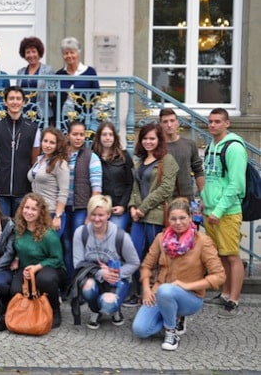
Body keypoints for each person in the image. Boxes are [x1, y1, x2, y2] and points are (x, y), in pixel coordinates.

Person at [132, 198, 226, 351]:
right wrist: (147, 289)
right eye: (173, 219)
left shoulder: (203, 242)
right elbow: (146, 266)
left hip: (190, 296)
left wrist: (186, 285)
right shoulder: (161, 238)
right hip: (160, 291)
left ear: (190, 218)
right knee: (140, 330)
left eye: (182, 218)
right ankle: (171, 315)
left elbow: (219, 276)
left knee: (166, 290)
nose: (178, 222)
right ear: (168, 220)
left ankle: (171, 331)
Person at [201, 108, 247, 317]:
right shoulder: (212, 144)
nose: (212, 125)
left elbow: (236, 184)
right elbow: (212, 179)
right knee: (221, 254)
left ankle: (234, 299)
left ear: (227, 123)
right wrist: (204, 201)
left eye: (217, 121)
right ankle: (225, 292)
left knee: (232, 255)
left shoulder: (234, 147)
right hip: (212, 210)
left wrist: (218, 210)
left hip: (227, 211)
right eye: (210, 121)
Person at [126, 122, 178, 307]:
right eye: (145, 138)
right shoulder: (139, 161)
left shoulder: (167, 160)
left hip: (156, 216)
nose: (148, 142)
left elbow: (165, 189)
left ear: (159, 140)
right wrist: (133, 206)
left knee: (155, 257)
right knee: (133, 253)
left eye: (152, 138)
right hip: (138, 217)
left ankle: (155, 294)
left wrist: (143, 208)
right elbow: (134, 187)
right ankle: (136, 292)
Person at [72, 195, 139, 330]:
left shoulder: (121, 236)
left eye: (101, 215)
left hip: (116, 278)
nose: (96, 219)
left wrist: (116, 273)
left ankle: (113, 309)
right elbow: (78, 263)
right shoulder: (81, 233)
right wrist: (102, 273)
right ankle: (96, 310)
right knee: (87, 287)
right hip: (93, 275)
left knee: (108, 304)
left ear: (108, 214)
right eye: (93, 214)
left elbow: (134, 262)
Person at [10, 193, 66, 328]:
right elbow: (19, 248)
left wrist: (37, 267)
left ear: (40, 212)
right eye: (26, 207)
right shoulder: (18, 229)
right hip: (26, 268)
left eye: (34, 209)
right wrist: (16, 258)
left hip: (50, 268)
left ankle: (55, 309)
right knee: (14, 291)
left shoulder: (48, 234)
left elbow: (57, 258)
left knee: (44, 280)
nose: (29, 212)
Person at [0, 86, 41, 217]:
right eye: (11, 98)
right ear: (5, 102)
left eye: (18, 99)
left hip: (23, 189)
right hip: (0, 188)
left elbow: (35, 159)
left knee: (20, 228)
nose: (15, 102)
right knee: (4, 227)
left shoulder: (33, 128)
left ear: (23, 102)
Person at [63, 121, 102, 282]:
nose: (79, 138)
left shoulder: (91, 157)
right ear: (68, 135)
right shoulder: (62, 154)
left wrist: (90, 214)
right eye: (75, 134)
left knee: (78, 245)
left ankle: (80, 283)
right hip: (63, 208)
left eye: (81, 134)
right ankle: (70, 282)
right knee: (65, 245)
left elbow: (96, 188)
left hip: (81, 208)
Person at [91, 121, 134, 230]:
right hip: (99, 207)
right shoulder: (92, 157)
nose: (108, 138)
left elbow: (130, 183)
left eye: (110, 134)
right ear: (99, 137)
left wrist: (123, 206)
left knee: (114, 233)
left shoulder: (123, 156)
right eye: (104, 134)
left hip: (117, 206)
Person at [28, 127, 70, 233]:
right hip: (37, 212)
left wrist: (58, 216)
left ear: (57, 145)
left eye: (52, 142)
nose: (47, 145)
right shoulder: (40, 160)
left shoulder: (60, 164)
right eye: (45, 141)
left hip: (51, 213)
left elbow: (64, 192)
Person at [159, 108, 205, 200]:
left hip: (186, 197)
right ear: (160, 125)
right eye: (165, 122)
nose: (169, 125)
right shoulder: (157, 146)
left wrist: (203, 197)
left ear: (177, 122)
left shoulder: (189, 144)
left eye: (172, 121)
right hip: (163, 199)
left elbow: (198, 171)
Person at [54, 37, 100, 128]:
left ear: (78, 53)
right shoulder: (59, 74)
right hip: (63, 119)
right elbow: (56, 99)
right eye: (66, 53)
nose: (69, 56)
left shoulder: (90, 72)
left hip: (84, 118)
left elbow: (96, 95)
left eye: (72, 52)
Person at [16, 36, 55, 124]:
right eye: (28, 52)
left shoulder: (48, 70)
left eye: (34, 51)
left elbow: (53, 93)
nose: (31, 55)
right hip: (24, 113)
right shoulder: (20, 72)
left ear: (39, 53)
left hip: (42, 114)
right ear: (24, 55)